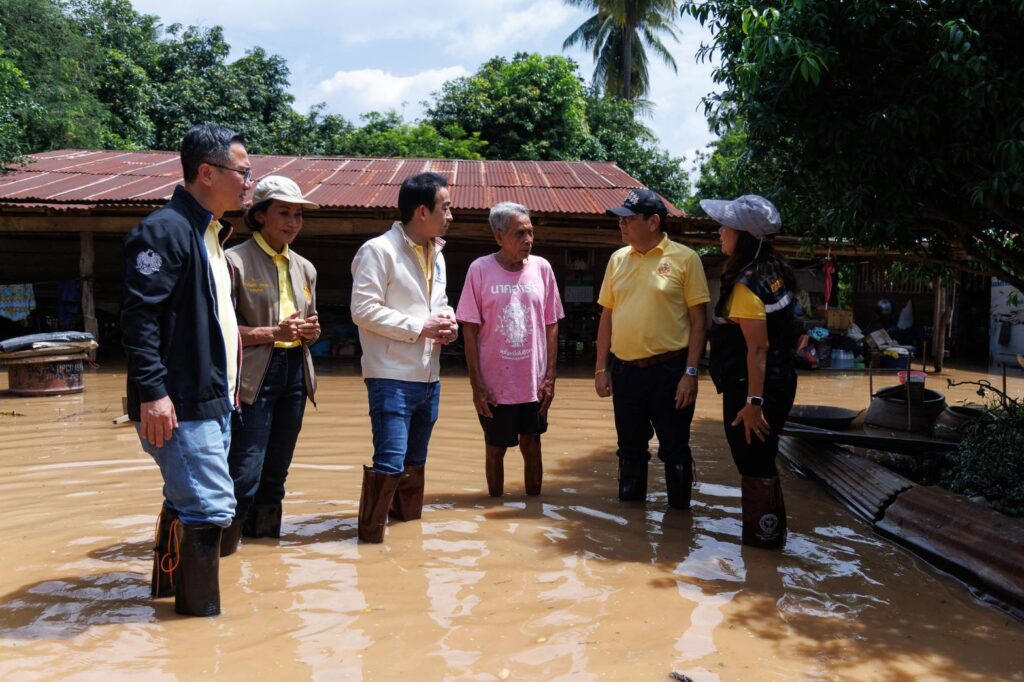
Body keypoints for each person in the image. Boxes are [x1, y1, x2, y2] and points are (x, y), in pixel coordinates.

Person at [121, 123, 251, 616]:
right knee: (210, 509)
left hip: (213, 398)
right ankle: (199, 630)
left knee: (188, 501)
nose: (249, 182)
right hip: (178, 402)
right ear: (207, 173)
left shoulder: (211, 234)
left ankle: (166, 599)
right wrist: (153, 393)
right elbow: (139, 318)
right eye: (243, 172)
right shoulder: (165, 231)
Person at [350, 172, 458, 543]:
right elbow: (363, 309)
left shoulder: (438, 253)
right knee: (390, 462)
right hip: (390, 374)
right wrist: (420, 326)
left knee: (415, 463)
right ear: (422, 211)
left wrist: (448, 322)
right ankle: (370, 543)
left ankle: (409, 544)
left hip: (429, 376)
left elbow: (438, 304)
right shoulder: (378, 251)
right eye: (446, 207)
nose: (451, 215)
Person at [222, 176, 320, 553]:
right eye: (284, 213)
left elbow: (308, 325)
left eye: (298, 215)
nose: (293, 222)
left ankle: (264, 559)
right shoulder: (233, 262)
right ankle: (223, 555)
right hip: (252, 378)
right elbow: (219, 332)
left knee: (276, 474)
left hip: (294, 372)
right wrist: (272, 333)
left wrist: (311, 332)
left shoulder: (305, 268)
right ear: (260, 215)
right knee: (245, 472)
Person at [595, 189, 710, 509]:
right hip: (625, 372)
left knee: (674, 449)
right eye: (620, 220)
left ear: (653, 222)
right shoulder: (618, 259)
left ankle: (680, 521)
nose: (621, 225)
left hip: (670, 371)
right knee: (629, 449)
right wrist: (601, 368)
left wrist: (690, 373)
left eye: (628, 220)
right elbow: (607, 317)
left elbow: (699, 322)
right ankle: (631, 525)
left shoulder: (685, 259)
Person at [701, 194, 798, 549]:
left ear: (743, 236)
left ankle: (762, 550)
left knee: (753, 461)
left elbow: (758, 348)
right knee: (763, 458)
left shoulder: (746, 283)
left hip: (753, 388)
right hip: (780, 380)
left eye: (725, 227)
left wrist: (753, 402)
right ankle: (770, 541)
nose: (719, 232)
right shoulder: (775, 271)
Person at [457, 202, 564, 498]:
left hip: (533, 384)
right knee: (495, 449)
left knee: (533, 445)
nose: (528, 240)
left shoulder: (542, 268)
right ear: (499, 236)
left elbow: (552, 324)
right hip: (495, 385)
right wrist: (477, 385)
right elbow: (469, 330)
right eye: (520, 233)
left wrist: (550, 376)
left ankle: (534, 509)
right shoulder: (479, 270)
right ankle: (494, 508)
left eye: (531, 232)